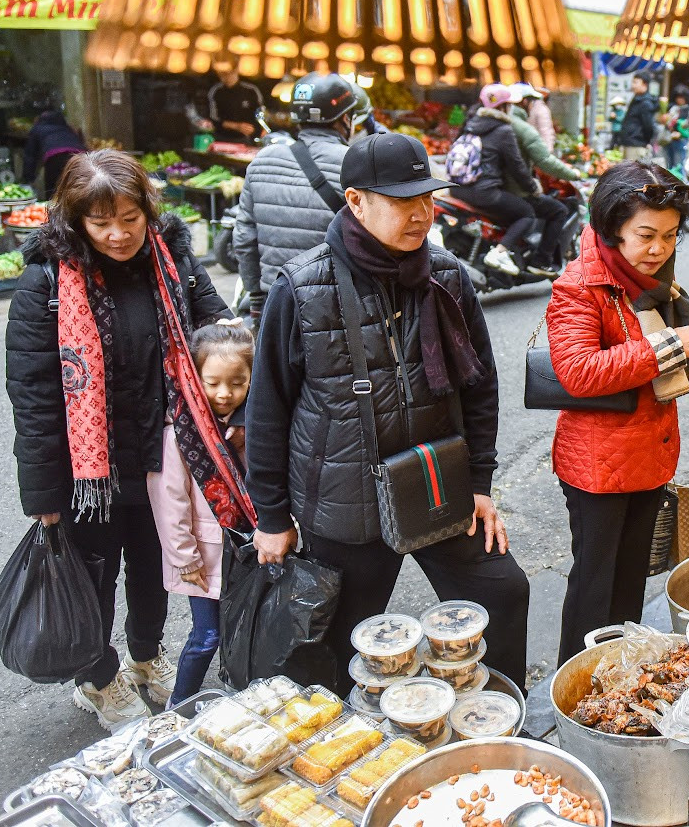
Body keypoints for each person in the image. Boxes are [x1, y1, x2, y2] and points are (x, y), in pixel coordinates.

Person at [246, 132, 530, 692]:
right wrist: (272, 517)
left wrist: (479, 484)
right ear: (356, 201)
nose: (422, 213)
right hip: (345, 500)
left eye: (427, 198)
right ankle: (350, 756)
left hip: (434, 481)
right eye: (404, 201)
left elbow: (480, 387)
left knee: (504, 591)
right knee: (340, 647)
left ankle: (495, 718)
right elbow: (268, 409)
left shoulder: (445, 277)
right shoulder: (302, 288)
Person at [6, 150, 239, 728]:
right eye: (101, 221)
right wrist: (44, 497)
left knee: (153, 564)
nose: (118, 234)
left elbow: (219, 328)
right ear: (75, 220)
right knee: (93, 575)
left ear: (147, 211)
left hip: (164, 456)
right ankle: (98, 677)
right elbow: (34, 396)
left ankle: (144, 655)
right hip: (89, 471)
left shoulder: (173, 259)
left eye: (130, 218)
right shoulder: (47, 284)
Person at [546, 162, 689, 660]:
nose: (659, 248)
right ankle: (578, 682)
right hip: (597, 467)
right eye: (646, 235)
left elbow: (670, 377)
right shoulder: (580, 285)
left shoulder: (658, 283)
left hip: (647, 458)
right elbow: (579, 371)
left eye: (671, 235)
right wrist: (668, 348)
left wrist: (682, 350)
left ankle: (622, 671)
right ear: (614, 226)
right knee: (594, 586)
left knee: (631, 578)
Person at [147, 320, 253, 707]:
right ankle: (177, 708)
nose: (224, 394)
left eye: (237, 383)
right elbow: (169, 500)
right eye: (213, 383)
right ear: (194, 377)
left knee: (239, 629)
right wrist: (183, 558)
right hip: (201, 557)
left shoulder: (248, 426)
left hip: (242, 551)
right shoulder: (180, 433)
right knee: (207, 635)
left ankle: (235, 698)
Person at [234, 73, 357, 322]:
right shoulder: (354, 163)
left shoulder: (262, 161)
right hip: (334, 305)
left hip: (276, 300)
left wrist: (257, 297)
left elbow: (244, 238)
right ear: (345, 118)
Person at [450, 84, 546, 277]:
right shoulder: (503, 129)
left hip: (457, 189)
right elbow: (517, 166)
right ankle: (500, 252)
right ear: (504, 107)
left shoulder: (471, 123)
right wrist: (532, 187)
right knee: (526, 213)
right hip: (485, 193)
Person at [506, 83, 584, 277]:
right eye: (531, 101)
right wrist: (572, 174)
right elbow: (545, 159)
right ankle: (541, 261)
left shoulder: (497, 123)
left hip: (494, 188)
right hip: (514, 190)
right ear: (525, 102)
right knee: (559, 210)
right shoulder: (522, 128)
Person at [22, 108, 86, 200]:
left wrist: (28, 178)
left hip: (54, 157)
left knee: (53, 193)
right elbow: (81, 142)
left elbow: (30, 155)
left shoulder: (37, 128)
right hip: (78, 156)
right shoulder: (67, 128)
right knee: (77, 190)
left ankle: (53, 213)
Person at [205, 66, 266, 144]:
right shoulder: (216, 91)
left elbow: (261, 114)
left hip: (246, 138)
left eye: (230, 73)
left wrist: (258, 128)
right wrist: (236, 126)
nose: (227, 76)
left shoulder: (251, 90)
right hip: (220, 137)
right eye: (223, 74)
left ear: (236, 71)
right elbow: (213, 119)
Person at [616, 72, 660, 161]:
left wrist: (646, 141)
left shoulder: (645, 103)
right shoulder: (636, 99)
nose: (633, 85)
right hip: (629, 143)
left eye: (636, 82)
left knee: (632, 173)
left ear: (645, 84)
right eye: (632, 82)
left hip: (636, 145)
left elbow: (648, 126)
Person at [662, 84, 689, 176]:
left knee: (679, 165)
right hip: (669, 139)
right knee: (668, 165)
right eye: (678, 97)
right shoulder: (672, 108)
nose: (679, 100)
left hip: (681, 140)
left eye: (682, 97)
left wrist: (681, 134)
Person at [524, 84, 558, 151]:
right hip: (537, 149)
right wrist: (548, 152)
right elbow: (545, 131)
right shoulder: (541, 109)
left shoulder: (533, 107)